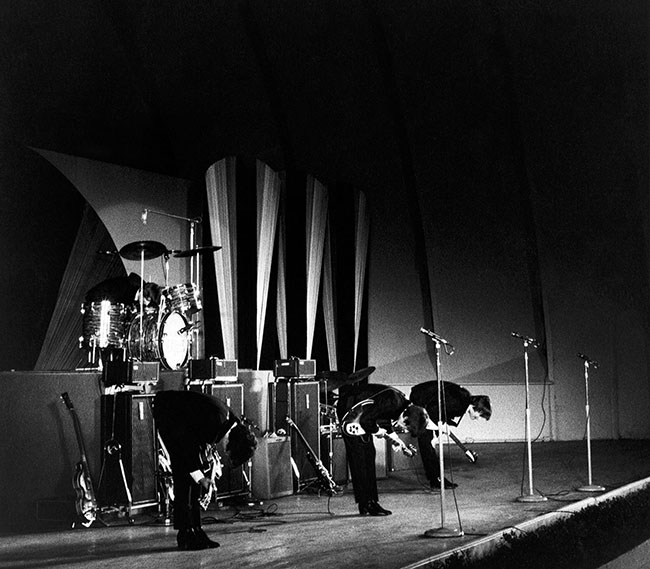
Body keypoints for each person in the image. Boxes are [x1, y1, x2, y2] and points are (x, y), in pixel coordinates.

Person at [153, 390, 258, 550]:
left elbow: (198, 441)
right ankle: (185, 534)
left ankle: (196, 529)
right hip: (169, 413)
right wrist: (201, 478)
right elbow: (187, 446)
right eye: (229, 453)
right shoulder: (216, 422)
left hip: (183, 422)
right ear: (232, 444)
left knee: (193, 477)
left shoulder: (230, 422)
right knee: (183, 475)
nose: (226, 453)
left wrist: (203, 473)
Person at [336, 383, 428, 516]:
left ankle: (371, 502)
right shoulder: (393, 401)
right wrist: (378, 431)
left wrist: (398, 442)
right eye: (406, 427)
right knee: (359, 459)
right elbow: (367, 421)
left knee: (368, 455)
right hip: (349, 411)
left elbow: (384, 420)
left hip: (360, 414)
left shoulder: (400, 404)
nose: (403, 429)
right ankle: (366, 503)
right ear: (406, 418)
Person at [407, 380, 492, 490]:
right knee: (426, 442)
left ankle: (436, 478)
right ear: (476, 407)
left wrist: (438, 432)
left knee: (429, 441)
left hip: (427, 402)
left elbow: (442, 412)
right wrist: (437, 429)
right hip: (420, 398)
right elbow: (433, 411)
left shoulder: (463, 401)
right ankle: (436, 479)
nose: (478, 419)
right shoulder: (460, 404)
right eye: (480, 415)